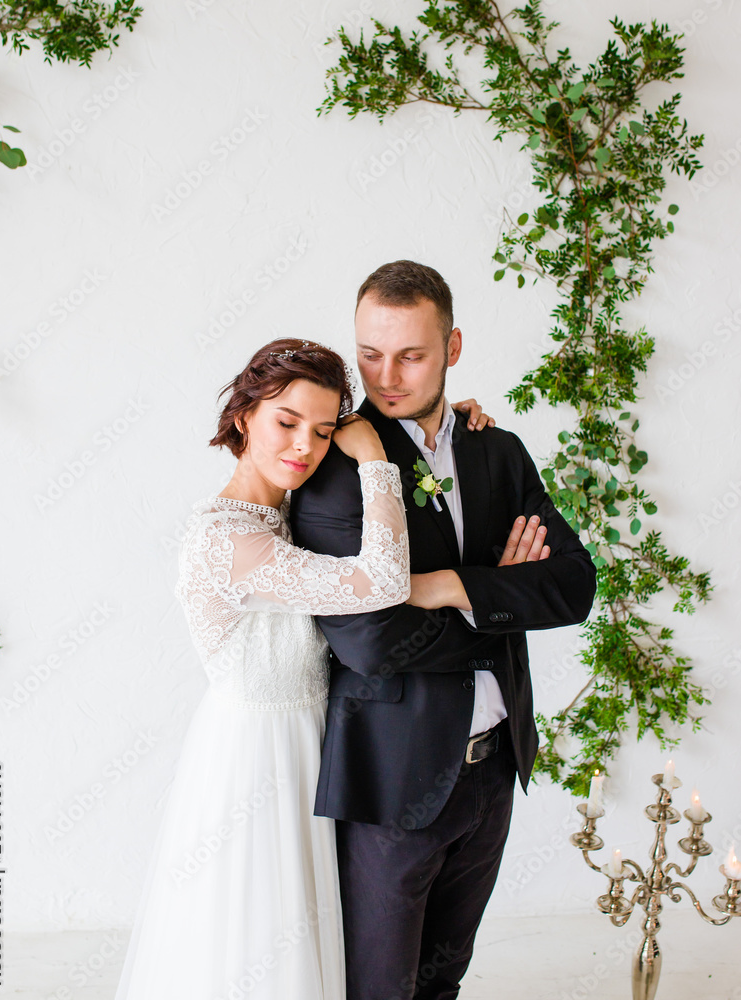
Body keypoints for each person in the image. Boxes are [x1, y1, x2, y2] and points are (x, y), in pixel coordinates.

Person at [113, 337, 491, 1000]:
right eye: (286, 424)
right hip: (257, 759)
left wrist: (437, 428)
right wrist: (375, 455)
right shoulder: (226, 539)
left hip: (318, 743)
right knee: (257, 943)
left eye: (321, 432)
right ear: (242, 417)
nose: (304, 448)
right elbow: (378, 581)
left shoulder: (280, 508)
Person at [289, 261, 598, 1000]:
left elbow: (572, 586)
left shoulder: (498, 451)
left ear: (452, 347)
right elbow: (369, 640)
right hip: (393, 785)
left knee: (443, 983)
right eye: (370, 352)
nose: (385, 375)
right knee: (379, 990)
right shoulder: (338, 469)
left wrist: (452, 588)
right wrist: (504, 601)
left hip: (492, 772)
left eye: (411, 354)